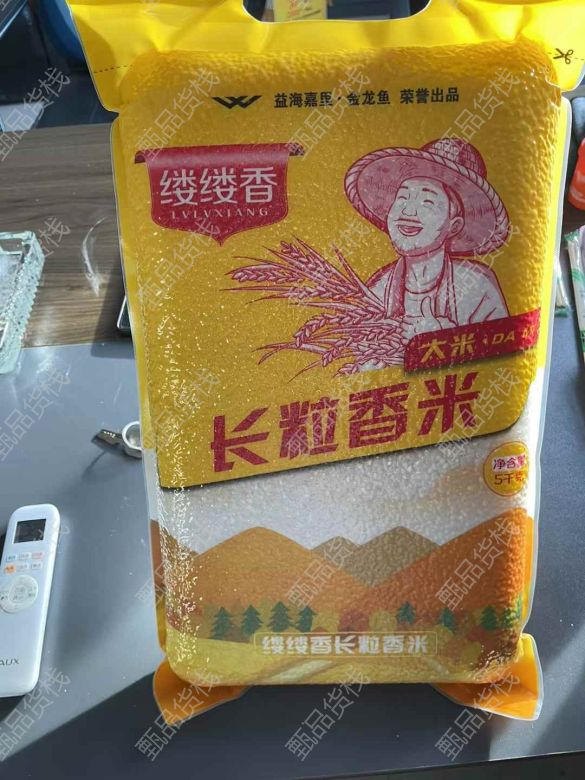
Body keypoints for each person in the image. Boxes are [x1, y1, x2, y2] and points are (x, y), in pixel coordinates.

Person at [344, 138, 510, 349]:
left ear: (454, 225)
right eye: (403, 197)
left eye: (427, 202)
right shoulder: (377, 290)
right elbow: (356, 358)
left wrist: (442, 340)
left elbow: (501, 352)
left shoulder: (477, 285)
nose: (408, 210)